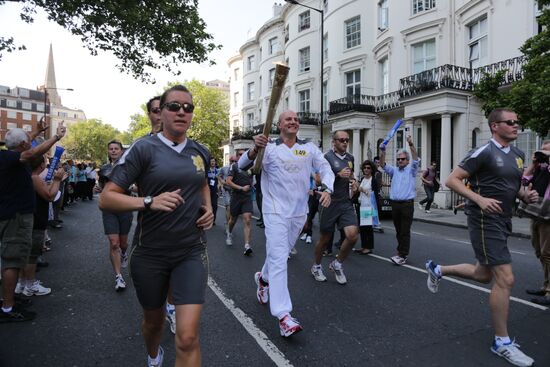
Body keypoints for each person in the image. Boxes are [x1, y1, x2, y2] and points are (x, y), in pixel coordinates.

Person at [99, 85, 214, 367]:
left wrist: (208, 207)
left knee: (187, 337)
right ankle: (154, 355)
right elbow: (107, 198)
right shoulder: (143, 148)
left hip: (190, 251)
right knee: (154, 324)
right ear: (160, 112)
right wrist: (149, 201)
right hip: (150, 252)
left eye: (188, 107)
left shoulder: (200, 151)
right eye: (174, 106)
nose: (181, 112)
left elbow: (201, 181)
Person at [425, 108, 538, 367]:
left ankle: (438, 269)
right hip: (485, 219)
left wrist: (524, 195)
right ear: (494, 126)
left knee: (483, 274)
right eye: (510, 122)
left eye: (517, 121)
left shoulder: (519, 155)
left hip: (503, 218)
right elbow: (451, 180)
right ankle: (502, 342)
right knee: (506, 278)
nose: (516, 125)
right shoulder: (484, 151)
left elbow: (513, 184)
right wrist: (479, 199)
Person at [239, 110, 334, 337]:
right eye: (288, 119)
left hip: (298, 213)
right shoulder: (269, 148)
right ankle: (283, 315)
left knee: (277, 256)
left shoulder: (309, 148)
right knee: (280, 259)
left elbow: (325, 168)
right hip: (274, 212)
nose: (293, 121)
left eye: (295, 119)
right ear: (279, 125)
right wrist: (254, 149)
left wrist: (328, 189)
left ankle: (262, 279)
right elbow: (243, 165)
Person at [0, 122, 66, 322]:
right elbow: (29, 152)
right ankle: (8, 308)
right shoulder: (13, 157)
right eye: (28, 141)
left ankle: (9, 300)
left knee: (16, 258)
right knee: (12, 261)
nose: (31, 143)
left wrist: (37, 131)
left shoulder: (7, 155)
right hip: (16, 217)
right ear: (22, 145)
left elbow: (22, 142)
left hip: (13, 215)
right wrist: (55, 138)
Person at [311, 130, 358, 285]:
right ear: (334, 142)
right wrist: (337, 175)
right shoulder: (326, 157)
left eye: (347, 140)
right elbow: (318, 180)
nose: (345, 142)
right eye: (341, 140)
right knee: (325, 239)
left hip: (345, 202)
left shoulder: (350, 158)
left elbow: (351, 175)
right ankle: (317, 266)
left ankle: (337, 264)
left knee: (352, 235)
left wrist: (354, 181)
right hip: (329, 202)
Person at [18, 154, 67, 296]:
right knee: (32, 255)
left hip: (29, 217)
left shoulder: (28, 176)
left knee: (25, 254)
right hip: (36, 219)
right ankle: (30, 284)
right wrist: (57, 180)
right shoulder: (34, 178)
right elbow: (50, 196)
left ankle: (22, 283)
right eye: (45, 162)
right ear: (41, 165)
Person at [95, 140, 134, 292]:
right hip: (109, 209)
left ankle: (124, 253)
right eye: (110, 148)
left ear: (121, 151)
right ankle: (118, 277)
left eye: (116, 149)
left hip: (125, 206)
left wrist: (134, 188)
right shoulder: (103, 169)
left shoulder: (129, 168)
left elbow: (136, 185)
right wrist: (98, 189)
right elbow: (101, 187)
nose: (113, 151)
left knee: (123, 244)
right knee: (114, 243)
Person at [379, 135, 419, 265]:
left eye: (402, 159)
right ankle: (400, 252)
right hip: (395, 204)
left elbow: (416, 159)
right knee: (398, 230)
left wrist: (411, 144)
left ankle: (402, 255)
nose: (400, 161)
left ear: (407, 161)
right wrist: (383, 152)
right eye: (398, 159)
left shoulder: (411, 170)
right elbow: (382, 164)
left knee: (404, 231)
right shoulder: (394, 171)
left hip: (407, 204)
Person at [522, 140, 550, 306]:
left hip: (548, 214)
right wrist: (534, 163)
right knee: (539, 251)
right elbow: (524, 180)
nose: (543, 154)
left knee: (548, 253)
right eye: (542, 151)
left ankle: (549, 290)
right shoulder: (540, 168)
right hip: (536, 212)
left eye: (547, 152)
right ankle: (546, 285)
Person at [226, 149, 254, 256]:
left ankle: (247, 245)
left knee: (247, 219)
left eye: (244, 154)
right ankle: (229, 233)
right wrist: (241, 188)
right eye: (241, 155)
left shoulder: (251, 166)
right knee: (233, 219)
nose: (243, 156)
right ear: (238, 157)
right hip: (236, 196)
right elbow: (228, 181)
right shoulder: (234, 166)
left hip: (247, 197)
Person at [353, 160, 380, 255]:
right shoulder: (363, 179)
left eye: (368, 168)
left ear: (372, 169)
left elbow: (374, 194)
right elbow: (358, 192)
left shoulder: (373, 180)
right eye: (364, 168)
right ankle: (364, 246)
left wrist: (363, 190)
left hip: (369, 206)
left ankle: (368, 247)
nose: (366, 169)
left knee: (368, 228)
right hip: (362, 205)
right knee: (362, 228)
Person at [217, 156, 236, 228]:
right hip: (226, 190)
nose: (233, 163)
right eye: (232, 161)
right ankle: (227, 225)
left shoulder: (237, 168)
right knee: (228, 207)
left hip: (234, 190)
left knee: (232, 209)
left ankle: (229, 222)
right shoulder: (224, 168)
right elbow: (218, 175)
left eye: (235, 161)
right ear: (229, 161)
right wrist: (221, 181)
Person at [207, 158, 219, 225]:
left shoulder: (218, 171)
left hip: (215, 191)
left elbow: (220, 181)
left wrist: (219, 190)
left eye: (213, 161)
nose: (212, 162)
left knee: (214, 205)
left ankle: (213, 220)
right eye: (211, 161)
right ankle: (207, 219)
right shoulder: (206, 171)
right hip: (208, 191)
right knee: (207, 205)